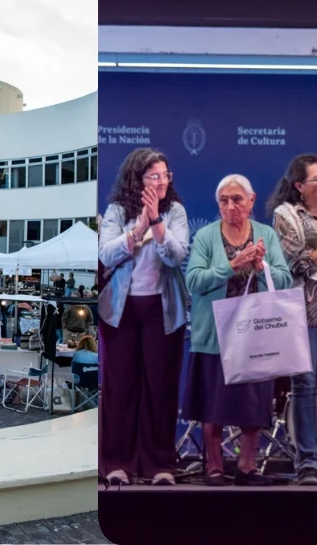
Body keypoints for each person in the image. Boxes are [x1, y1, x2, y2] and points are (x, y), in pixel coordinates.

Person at [183, 174, 292, 487]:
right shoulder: (206, 236)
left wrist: (261, 267)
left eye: (237, 199)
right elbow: (193, 281)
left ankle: (247, 466)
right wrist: (231, 265)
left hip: (255, 336)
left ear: (251, 201)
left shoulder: (265, 235)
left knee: (253, 404)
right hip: (213, 335)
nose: (230, 206)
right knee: (212, 406)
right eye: (224, 200)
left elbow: (285, 281)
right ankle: (214, 467)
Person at [98, 148, 189, 487]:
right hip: (120, 311)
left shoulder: (175, 211)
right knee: (121, 387)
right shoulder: (117, 210)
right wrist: (138, 227)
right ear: (137, 180)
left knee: (159, 387)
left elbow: (176, 256)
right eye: (154, 176)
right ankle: (117, 462)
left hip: (162, 311)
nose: (161, 181)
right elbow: (106, 254)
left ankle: (158, 464)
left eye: (165, 175)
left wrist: (157, 223)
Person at [268, 154, 317, 486]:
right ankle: (308, 463)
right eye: (316, 179)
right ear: (299, 186)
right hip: (304, 310)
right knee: (304, 386)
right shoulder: (286, 215)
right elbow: (297, 263)